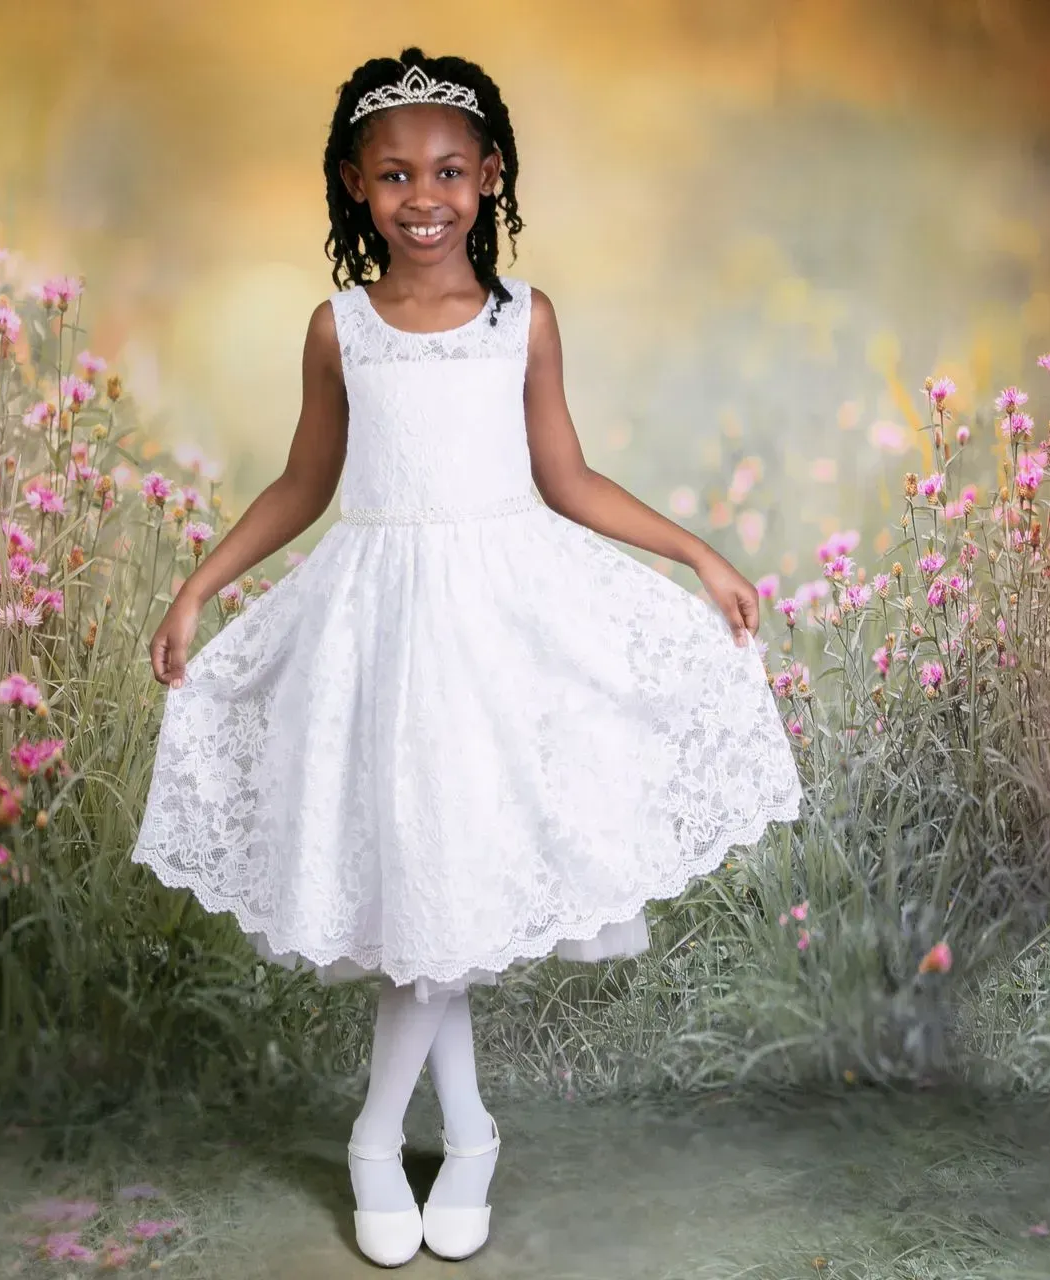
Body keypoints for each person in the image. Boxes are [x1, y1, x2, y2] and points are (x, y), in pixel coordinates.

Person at [133, 46, 802, 1268]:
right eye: (394, 175)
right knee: (422, 893)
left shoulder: (521, 322)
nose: (423, 195)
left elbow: (569, 476)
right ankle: (470, 1129)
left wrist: (696, 553)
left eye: (449, 169)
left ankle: (380, 1134)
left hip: (500, 631)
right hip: (377, 630)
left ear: (491, 176)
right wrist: (199, 587)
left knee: (447, 888)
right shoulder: (340, 332)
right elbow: (302, 483)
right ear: (353, 183)